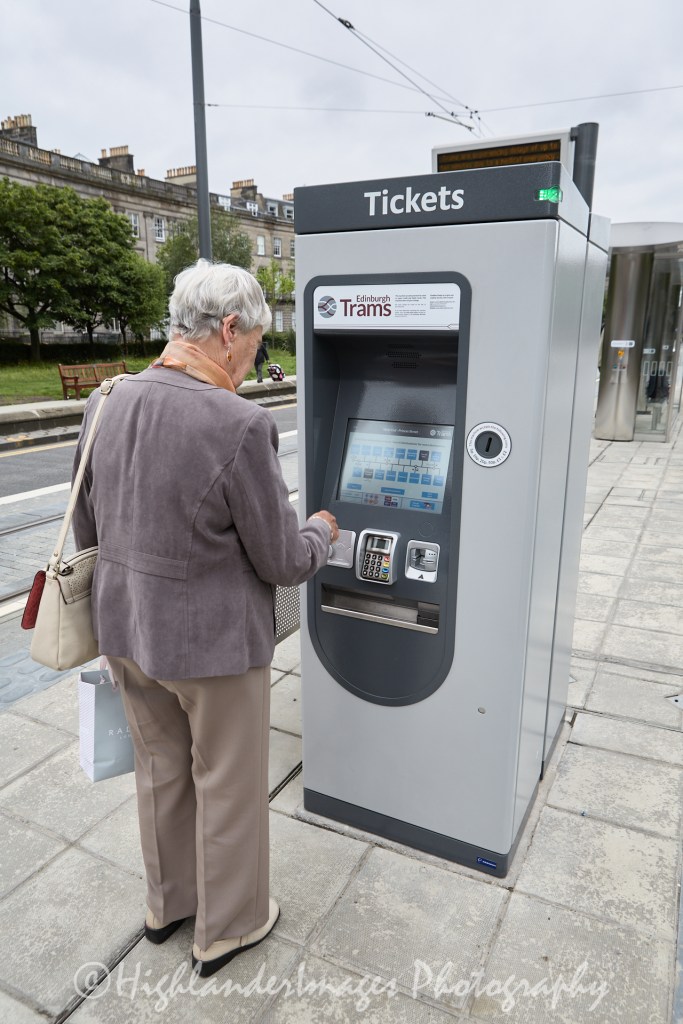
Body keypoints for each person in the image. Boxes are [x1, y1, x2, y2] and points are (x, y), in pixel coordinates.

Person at [72, 260, 339, 977]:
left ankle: (168, 906)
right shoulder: (239, 423)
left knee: (160, 770)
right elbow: (282, 559)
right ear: (228, 329)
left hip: (127, 631)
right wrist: (320, 529)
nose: (253, 357)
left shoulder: (106, 400)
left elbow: (89, 527)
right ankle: (228, 928)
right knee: (227, 782)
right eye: (254, 342)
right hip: (214, 648)